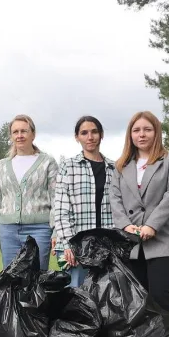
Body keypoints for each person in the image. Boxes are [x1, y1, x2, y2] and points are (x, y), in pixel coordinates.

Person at [109, 111, 169, 337]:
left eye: (147, 129)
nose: (142, 134)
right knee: (137, 301)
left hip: (162, 240)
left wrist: (152, 225)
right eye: (136, 130)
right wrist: (125, 226)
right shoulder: (121, 165)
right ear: (130, 134)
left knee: (161, 296)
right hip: (131, 244)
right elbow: (115, 199)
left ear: (156, 132)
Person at [0, 114, 59, 270]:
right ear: (11, 136)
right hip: (8, 231)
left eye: (24, 131)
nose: (20, 135)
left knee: (36, 278)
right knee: (10, 279)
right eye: (15, 132)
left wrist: (56, 231)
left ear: (33, 134)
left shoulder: (47, 162)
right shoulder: (2, 165)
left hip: (40, 230)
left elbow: (56, 198)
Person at [53, 115, 116, 287]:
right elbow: (60, 210)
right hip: (75, 246)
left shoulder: (114, 168)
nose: (90, 137)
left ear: (101, 135)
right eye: (84, 133)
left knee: (103, 300)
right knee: (75, 299)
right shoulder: (69, 166)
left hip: (104, 247)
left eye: (94, 132)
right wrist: (69, 245)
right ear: (77, 137)